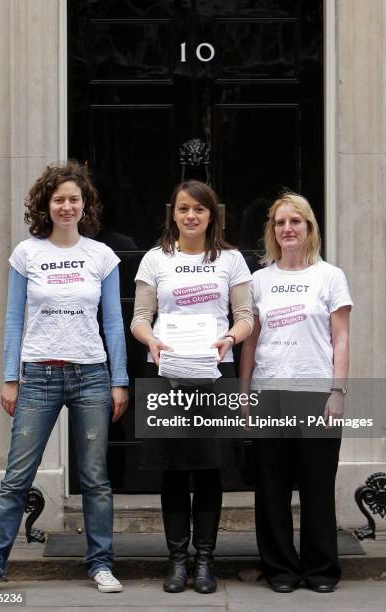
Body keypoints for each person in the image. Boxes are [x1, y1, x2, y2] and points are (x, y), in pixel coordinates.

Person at [0, 161, 129, 594]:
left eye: (74, 199)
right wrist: (10, 376)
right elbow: (14, 318)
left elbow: (113, 322)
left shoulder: (101, 256)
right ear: (46, 205)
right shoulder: (27, 253)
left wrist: (119, 379)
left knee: (95, 478)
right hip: (38, 375)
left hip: (92, 374)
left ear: (84, 204)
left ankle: (101, 564)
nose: (67, 206)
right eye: (59, 200)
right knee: (17, 476)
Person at [131, 180, 253, 594]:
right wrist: (151, 341)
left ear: (211, 216)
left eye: (199, 210)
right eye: (183, 209)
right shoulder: (154, 260)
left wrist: (230, 339)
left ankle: (205, 562)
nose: (190, 216)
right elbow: (140, 317)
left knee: (207, 470)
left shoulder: (232, 260)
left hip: (215, 373)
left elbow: (245, 316)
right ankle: (177, 561)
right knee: (172, 471)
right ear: (173, 214)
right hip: (164, 372)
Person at [240, 192, 353, 593]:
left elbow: (340, 341)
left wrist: (337, 392)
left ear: (309, 228)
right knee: (271, 490)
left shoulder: (330, 277)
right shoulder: (258, 281)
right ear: (272, 231)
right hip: (270, 394)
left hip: (315, 394)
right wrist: (244, 395)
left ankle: (322, 570)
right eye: (280, 222)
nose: (288, 228)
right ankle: (281, 569)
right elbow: (250, 344)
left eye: (296, 222)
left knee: (318, 488)